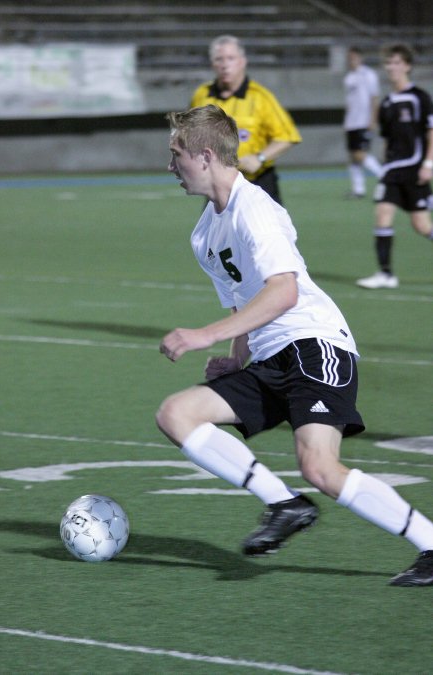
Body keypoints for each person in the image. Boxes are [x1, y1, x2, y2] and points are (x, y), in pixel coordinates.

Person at [156, 104, 433, 587]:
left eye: (175, 154)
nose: (170, 166)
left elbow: (283, 291)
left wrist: (204, 336)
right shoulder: (204, 232)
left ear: (204, 156)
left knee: (320, 467)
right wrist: (235, 355)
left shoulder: (256, 208)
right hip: (269, 356)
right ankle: (284, 504)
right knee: (175, 414)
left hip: (314, 345)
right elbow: (246, 297)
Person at [190, 35, 301, 205]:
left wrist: (260, 158)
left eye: (231, 58)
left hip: (257, 183)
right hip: (218, 186)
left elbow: (287, 136)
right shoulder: (202, 95)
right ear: (213, 64)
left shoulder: (260, 97)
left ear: (242, 62)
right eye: (219, 59)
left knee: (266, 232)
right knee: (217, 232)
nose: (225, 65)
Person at [357, 44, 433, 289]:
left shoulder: (420, 97)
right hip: (392, 170)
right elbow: (388, 138)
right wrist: (385, 163)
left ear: (408, 66)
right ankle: (386, 274)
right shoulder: (387, 102)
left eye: (397, 63)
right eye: (388, 63)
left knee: (421, 225)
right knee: (382, 214)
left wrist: (429, 164)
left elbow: (431, 132)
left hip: (414, 168)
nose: (392, 67)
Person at [343, 46, 382, 198]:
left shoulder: (368, 75)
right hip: (351, 123)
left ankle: (384, 176)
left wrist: (373, 119)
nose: (351, 61)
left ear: (360, 58)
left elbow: (374, 97)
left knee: (360, 154)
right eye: (349, 58)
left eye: (353, 57)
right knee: (353, 156)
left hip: (363, 121)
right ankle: (358, 190)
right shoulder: (349, 77)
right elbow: (349, 102)